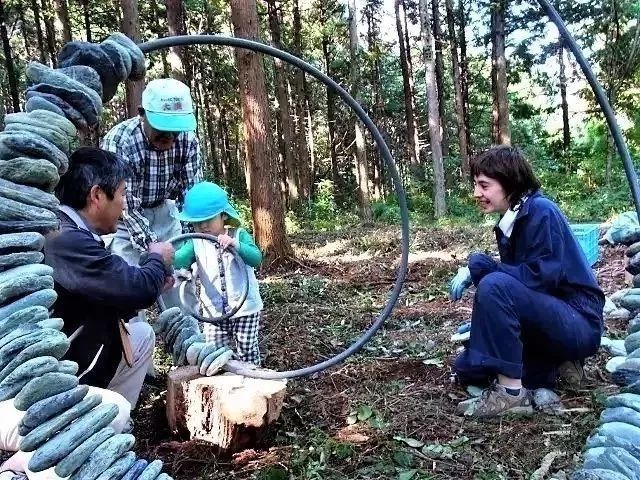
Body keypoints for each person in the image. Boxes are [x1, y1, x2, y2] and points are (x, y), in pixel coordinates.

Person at [449, 145, 604, 418]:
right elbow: (520, 285)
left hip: (576, 319)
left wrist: (483, 274)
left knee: (494, 283)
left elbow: (540, 278)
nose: (477, 194)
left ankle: (510, 393)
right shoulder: (513, 218)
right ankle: (557, 365)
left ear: (509, 182)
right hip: (547, 319)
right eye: (476, 185)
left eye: (484, 185)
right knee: (468, 366)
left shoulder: (541, 211)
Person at [44, 147, 175, 408]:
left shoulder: (68, 231)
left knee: (141, 334)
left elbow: (106, 295)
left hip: (71, 354)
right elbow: (135, 288)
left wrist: (154, 285)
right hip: (55, 378)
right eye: (123, 193)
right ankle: (102, 422)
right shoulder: (67, 240)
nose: (125, 204)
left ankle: (111, 413)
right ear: (97, 195)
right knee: (117, 414)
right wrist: (157, 258)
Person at [101, 78, 202, 314]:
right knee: (128, 287)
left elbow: (190, 194)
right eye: (162, 127)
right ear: (142, 114)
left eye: (175, 128)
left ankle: (188, 340)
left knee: (179, 282)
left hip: (165, 212)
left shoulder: (187, 141)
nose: (169, 135)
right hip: (126, 220)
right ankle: (136, 343)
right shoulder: (121, 141)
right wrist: (153, 249)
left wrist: (188, 244)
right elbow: (126, 205)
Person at [173, 181, 264, 366]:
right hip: (212, 311)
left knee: (247, 349)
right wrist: (165, 257)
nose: (203, 226)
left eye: (209, 219)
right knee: (214, 354)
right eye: (197, 222)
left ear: (223, 215)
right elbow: (180, 258)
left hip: (244, 307)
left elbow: (256, 258)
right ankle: (223, 386)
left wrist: (236, 245)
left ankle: (254, 378)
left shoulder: (238, 234)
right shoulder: (196, 242)